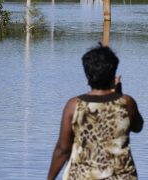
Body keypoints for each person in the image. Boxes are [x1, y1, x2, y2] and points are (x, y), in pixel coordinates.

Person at [47, 45, 144, 180]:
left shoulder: (74, 105)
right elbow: (138, 127)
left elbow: (63, 149)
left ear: (87, 74)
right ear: (113, 74)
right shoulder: (127, 102)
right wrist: (119, 94)